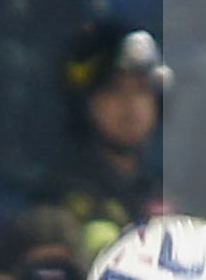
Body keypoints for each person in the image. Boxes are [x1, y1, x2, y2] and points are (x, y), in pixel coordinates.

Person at [44, 17, 164, 260]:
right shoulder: (54, 202)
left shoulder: (165, 193)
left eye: (142, 89)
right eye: (114, 89)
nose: (131, 105)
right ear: (83, 103)